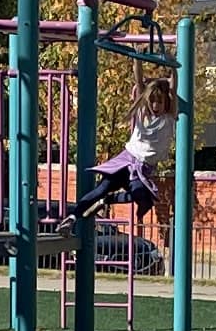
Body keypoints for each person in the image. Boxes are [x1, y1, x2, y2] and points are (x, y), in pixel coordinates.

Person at [69, 75, 181, 232]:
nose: (155, 106)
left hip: (141, 169)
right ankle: (72, 217)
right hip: (125, 161)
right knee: (101, 189)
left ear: (166, 103)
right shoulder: (143, 112)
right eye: (152, 101)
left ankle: (107, 201)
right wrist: (138, 61)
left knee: (143, 198)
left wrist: (173, 68)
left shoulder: (169, 118)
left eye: (160, 102)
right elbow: (138, 79)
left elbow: (173, 89)